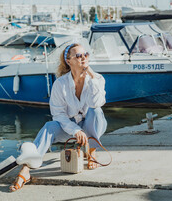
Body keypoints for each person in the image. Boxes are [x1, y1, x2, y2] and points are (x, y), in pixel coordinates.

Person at [9, 43, 107, 192]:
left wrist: (92, 77)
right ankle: (27, 168)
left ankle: (91, 150)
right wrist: (75, 130)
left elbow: (96, 103)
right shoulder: (60, 84)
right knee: (49, 127)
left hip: (92, 125)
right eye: (79, 56)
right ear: (69, 61)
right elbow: (58, 115)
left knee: (97, 111)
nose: (83, 58)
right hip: (69, 127)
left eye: (85, 54)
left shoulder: (98, 79)